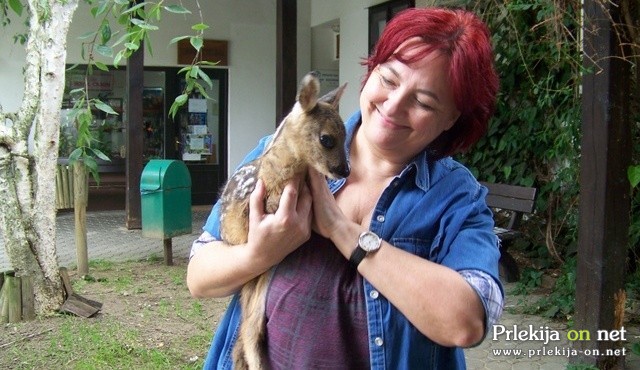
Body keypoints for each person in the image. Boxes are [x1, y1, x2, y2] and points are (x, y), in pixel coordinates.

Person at [187, 7, 503, 369]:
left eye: (424, 102)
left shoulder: (456, 198)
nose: (394, 106)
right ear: (371, 71)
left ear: (451, 119)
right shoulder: (280, 154)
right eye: (388, 79)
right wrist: (259, 254)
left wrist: (342, 231)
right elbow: (199, 277)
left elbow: (466, 322)